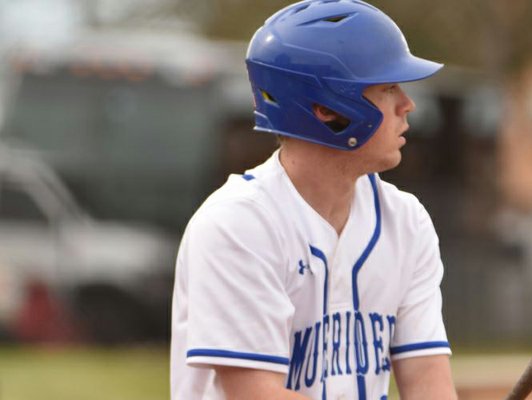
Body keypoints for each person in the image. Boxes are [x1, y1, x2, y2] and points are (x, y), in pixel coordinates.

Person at [169, 0, 457, 399]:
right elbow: (254, 395)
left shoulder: (406, 221)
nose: (406, 104)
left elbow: (428, 380)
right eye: (389, 87)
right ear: (327, 108)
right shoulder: (237, 224)